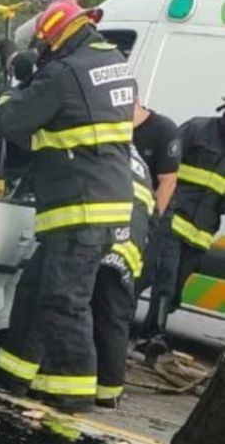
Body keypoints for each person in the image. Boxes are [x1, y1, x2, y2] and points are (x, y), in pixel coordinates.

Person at [0, 0, 136, 413]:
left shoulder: (64, 73)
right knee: (36, 293)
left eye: (44, 46)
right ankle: (11, 377)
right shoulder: (113, 64)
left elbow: (13, 121)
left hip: (80, 208)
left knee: (63, 302)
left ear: (54, 38)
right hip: (99, 202)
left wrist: (11, 86)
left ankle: (72, 393)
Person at [137, 103, 225, 360]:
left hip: (201, 233)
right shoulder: (197, 129)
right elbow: (165, 167)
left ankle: (150, 328)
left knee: (174, 289)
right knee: (163, 277)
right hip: (172, 220)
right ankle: (152, 336)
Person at [93, 145, 154, 408]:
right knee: (113, 317)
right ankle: (108, 391)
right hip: (130, 242)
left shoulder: (102, 138)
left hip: (106, 236)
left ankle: (83, 384)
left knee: (81, 309)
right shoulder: (135, 156)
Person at [130, 99, 182, 357]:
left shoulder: (162, 130)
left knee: (147, 275)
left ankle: (152, 333)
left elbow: (168, 182)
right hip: (120, 214)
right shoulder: (115, 126)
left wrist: (152, 221)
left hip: (152, 219)